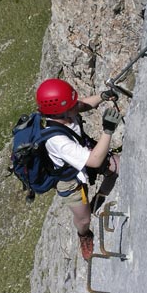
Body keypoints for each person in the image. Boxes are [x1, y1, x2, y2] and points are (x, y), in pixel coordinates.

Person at [36, 78, 122, 260]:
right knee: (84, 219)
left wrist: (102, 96)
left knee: (118, 166)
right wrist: (108, 130)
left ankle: (99, 199)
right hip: (69, 181)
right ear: (60, 111)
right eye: (72, 104)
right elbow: (94, 161)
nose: (77, 105)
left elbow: (82, 106)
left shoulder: (65, 112)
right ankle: (84, 235)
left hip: (84, 153)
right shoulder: (56, 140)